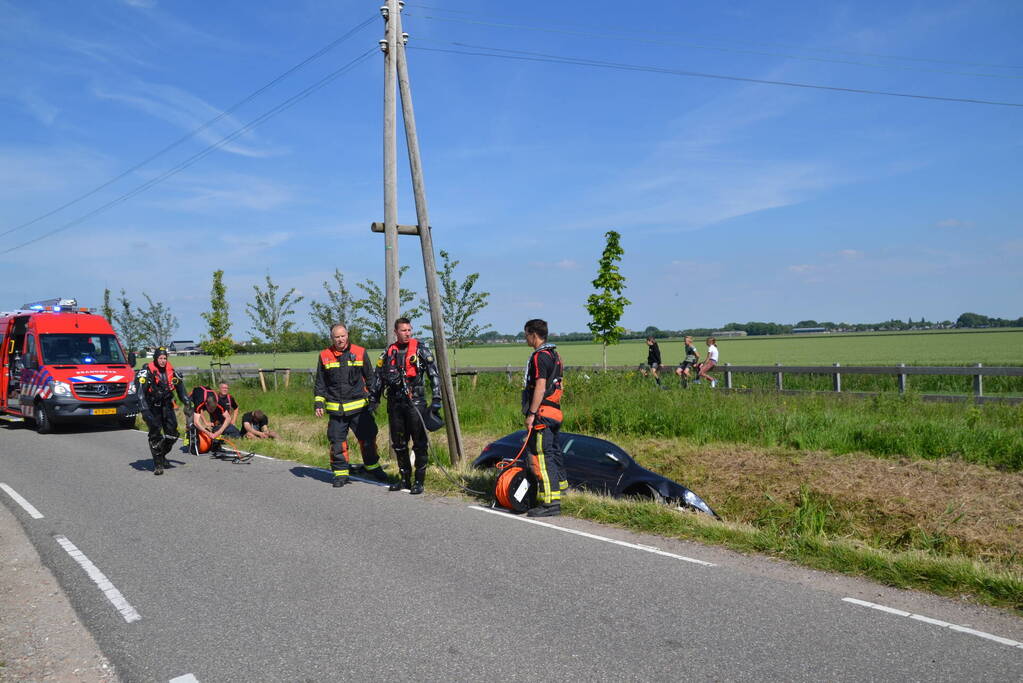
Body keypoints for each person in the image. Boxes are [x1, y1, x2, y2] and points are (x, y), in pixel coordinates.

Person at [368, 318, 442, 495]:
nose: (407, 333)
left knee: (419, 443)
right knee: (399, 444)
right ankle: (404, 479)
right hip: (395, 404)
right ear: (396, 332)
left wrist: (437, 398)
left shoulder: (420, 349)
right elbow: (378, 377)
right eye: (403, 330)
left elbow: (434, 375)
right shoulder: (388, 352)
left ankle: (419, 481)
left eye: (409, 330)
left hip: (415, 403)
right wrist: (373, 400)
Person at [314, 324, 387, 488]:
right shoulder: (324, 355)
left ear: (347, 335)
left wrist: (374, 399)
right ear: (331, 338)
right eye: (336, 337)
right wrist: (318, 402)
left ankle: (372, 467)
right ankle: (341, 474)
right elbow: (320, 382)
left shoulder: (360, 352)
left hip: (360, 409)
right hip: (336, 410)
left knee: (368, 439)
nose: (340, 340)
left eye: (342, 336)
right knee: (337, 442)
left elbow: (370, 377)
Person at [521, 318, 567, 517]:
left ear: (533, 334)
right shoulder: (555, 355)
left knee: (543, 456)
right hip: (555, 412)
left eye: (526, 335)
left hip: (542, 414)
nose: (525, 339)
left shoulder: (540, 356)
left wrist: (531, 413)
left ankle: (550, 503)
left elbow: (540, 386)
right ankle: (562, 489)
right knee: (554, 453)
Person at [135, 346, 191, 475]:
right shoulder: (147, 372)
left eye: (165, 358)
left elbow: (181, 391)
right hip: (152, 407)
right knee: (155, 434)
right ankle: (158, 464)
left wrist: (187, 403)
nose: (162, 361)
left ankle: (161, 454)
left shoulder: (172, 371)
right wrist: (144, 411)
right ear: (155, 358)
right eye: (160, 358)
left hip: (167, 406)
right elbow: (140, 394)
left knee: (173, 434)